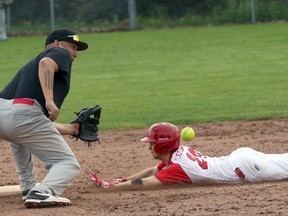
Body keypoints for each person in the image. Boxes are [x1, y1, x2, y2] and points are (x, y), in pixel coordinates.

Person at [0, 28, 88, 208]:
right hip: (24, 116)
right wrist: (49, 100)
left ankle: (28, 187)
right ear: (56, 44)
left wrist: (72, 129)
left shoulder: (27, 69)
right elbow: (46, 63)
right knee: (67, 163)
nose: (74, 53)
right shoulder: (58, 53)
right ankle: (42, 192)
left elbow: (25, 122)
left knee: (19, 139)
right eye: (72, 46)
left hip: (5, 116)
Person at [91, 122, 288, 190]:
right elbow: (152, 170)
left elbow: (144, 184)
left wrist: (113, 188)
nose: (148, 146)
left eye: (151, 143)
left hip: (247, 169)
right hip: (241, 158)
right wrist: (121, 180)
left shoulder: (178, 168)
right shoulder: (177, 154)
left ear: (162, 145)